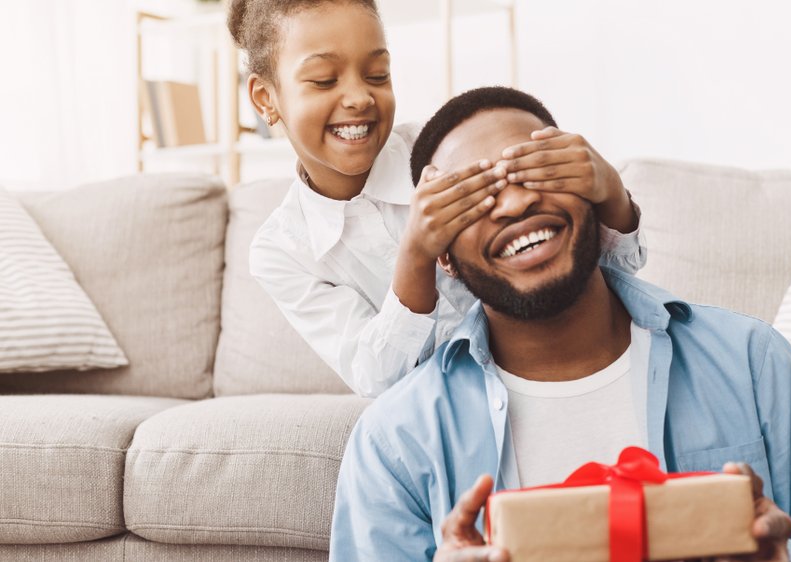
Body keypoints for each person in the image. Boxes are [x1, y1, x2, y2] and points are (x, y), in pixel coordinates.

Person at [329, 87, 791, 562]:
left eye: (534, 169)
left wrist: (779, 559)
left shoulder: (751, 362)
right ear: (444, 256)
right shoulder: (395, 442)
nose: (513, 205)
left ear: (591, 188)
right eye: (473, 198)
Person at [227, 0, 645, 397]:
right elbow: (377, 379)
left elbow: (618, 266)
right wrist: (417, 255)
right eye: (324, 80)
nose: (359, 97)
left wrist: (608, 191)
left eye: (377, 74)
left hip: (556, 369)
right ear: (266, 99)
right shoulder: (281, 250)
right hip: (446, 411)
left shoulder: (447, 149)